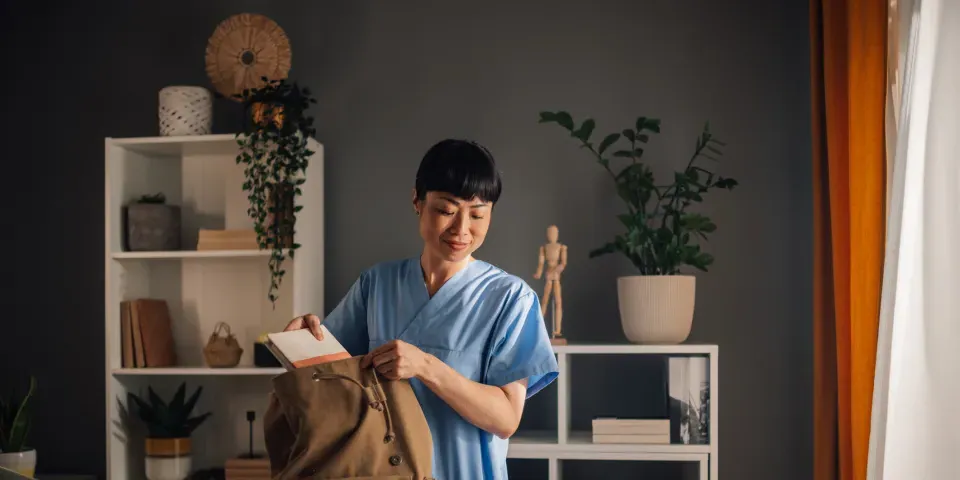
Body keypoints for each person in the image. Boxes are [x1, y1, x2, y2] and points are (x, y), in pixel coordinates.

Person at [282, 138, 560, 480]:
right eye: (446, 210)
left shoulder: (511, 299)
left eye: (477, 214)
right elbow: (334, 383)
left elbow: (505, 420)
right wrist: (304, 343)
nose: (461, 229)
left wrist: (425, 365)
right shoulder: (377, 284)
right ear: (417, 200)